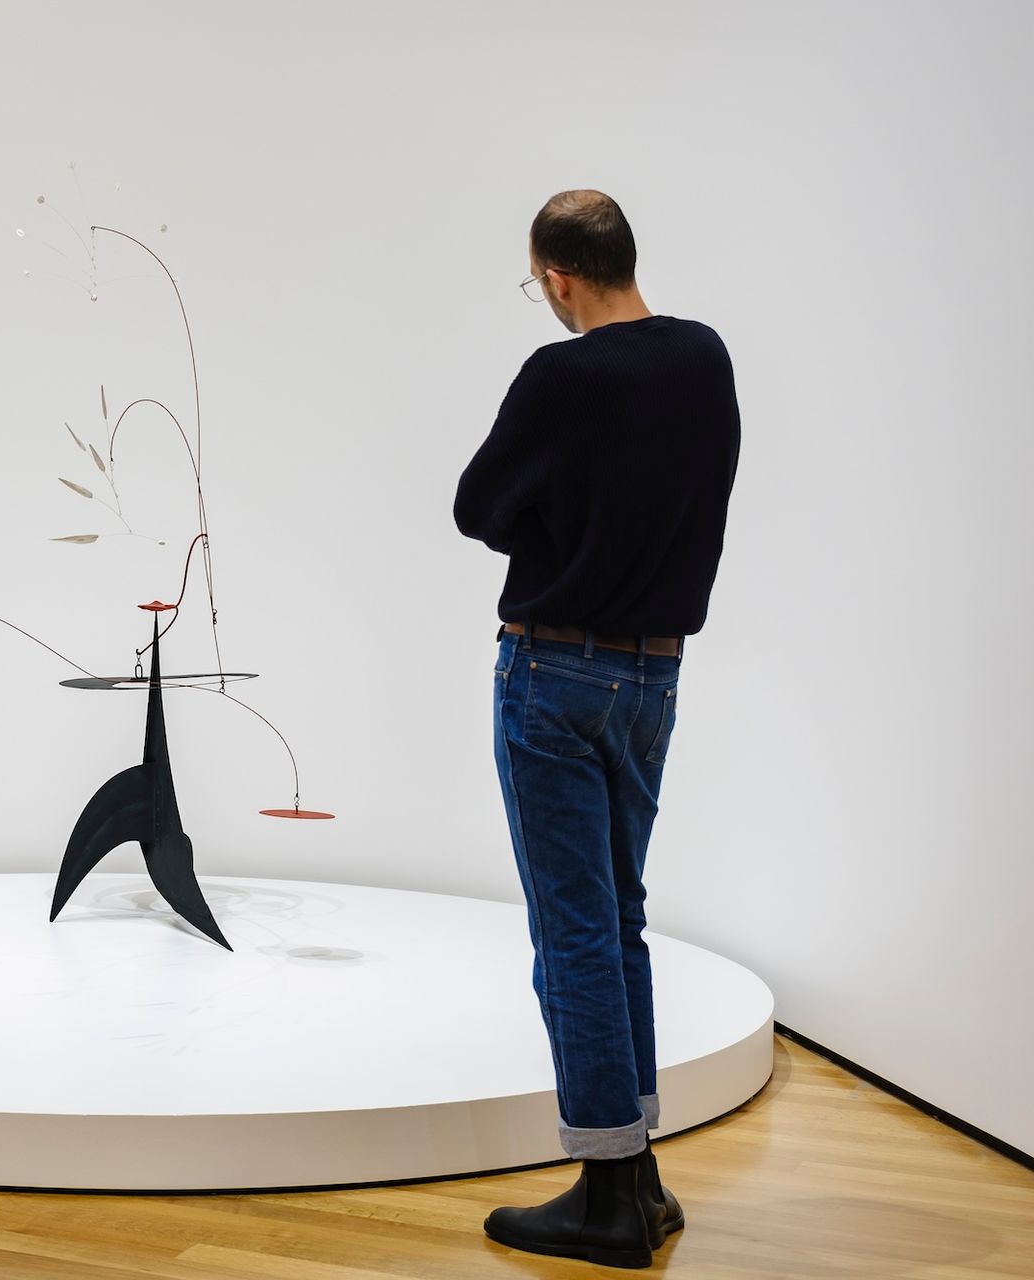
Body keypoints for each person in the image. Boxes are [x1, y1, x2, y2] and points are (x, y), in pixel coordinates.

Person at [454, 190, 741, 1269]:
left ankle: (608, 1194)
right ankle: (641, 1175)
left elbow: (477, 507)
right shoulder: (704, 359)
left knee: (572, 930)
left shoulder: (560, 375)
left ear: (558, 277)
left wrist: (560, 521)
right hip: (654, 675)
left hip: (554, 672)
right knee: (618, 920)